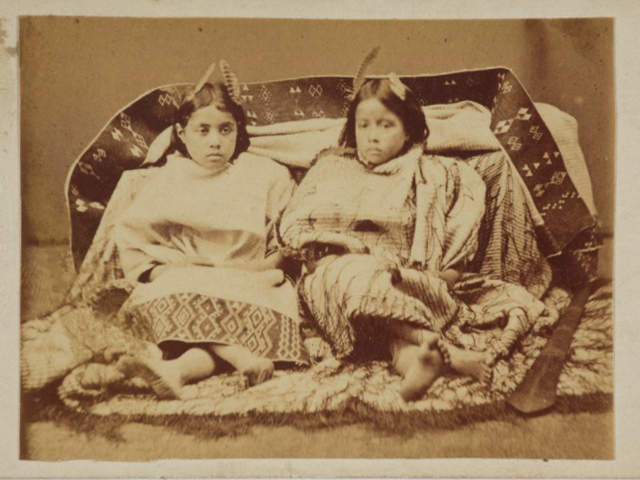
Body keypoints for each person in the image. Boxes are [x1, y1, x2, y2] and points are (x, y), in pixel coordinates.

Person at [279, 66, 547, 402]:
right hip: (332, 284)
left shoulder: (436, 174)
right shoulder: (330, 167)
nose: (372, 135)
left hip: (406, 284)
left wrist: (416, 279)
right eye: (364, 125)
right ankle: (443, 350)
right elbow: (295, 229)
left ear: (408, 131)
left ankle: (421, 358)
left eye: (386, 125)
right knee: (353, 273)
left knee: (383, 323)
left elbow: (454, 255)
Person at [114, 64, 308, 400]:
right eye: (203, 131)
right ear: (182, 131)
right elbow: (138, 250)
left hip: (247, 280)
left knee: (214, 320)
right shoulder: (167, 179)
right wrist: (173, 270)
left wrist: (252, 270)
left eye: (225, 130)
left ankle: (177, 370)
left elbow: (285, 246)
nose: (215, 142)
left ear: (238, 130)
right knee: (176, 291)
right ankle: (239, 356)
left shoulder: (264, 174)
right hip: (186, 281)